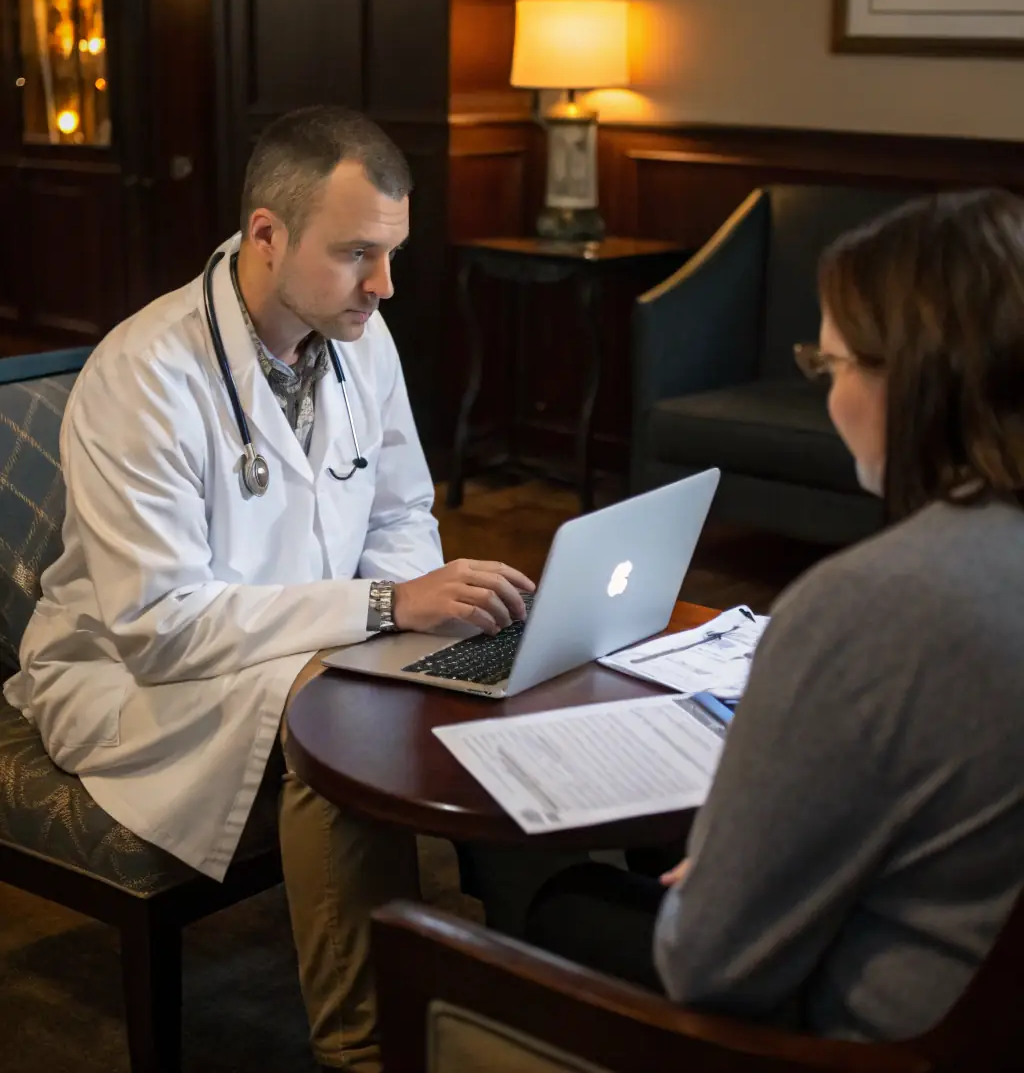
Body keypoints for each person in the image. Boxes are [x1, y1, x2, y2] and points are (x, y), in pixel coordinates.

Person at [3, 105, 533, 1072]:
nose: (386, 285)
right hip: (133, 674)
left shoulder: (359, 333)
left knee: (493, 664)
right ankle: (365, 1052)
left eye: (392, 252)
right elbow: (159, 628)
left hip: (305, 635)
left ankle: (528, 985)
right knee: (342, 726)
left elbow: (399, 507)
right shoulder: (147, 374)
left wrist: (420, 607)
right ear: (266, 235)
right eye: (359, 254)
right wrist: (383, 611)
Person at [525, 188, 1024, 1042]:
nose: (828, 401)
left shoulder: (868, 604)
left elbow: (710, 966)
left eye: (828, 369)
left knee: (562, 903)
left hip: (885, 1033)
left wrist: (721, 885)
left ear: (906, 380)